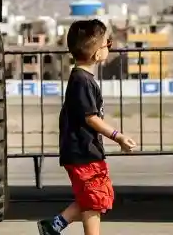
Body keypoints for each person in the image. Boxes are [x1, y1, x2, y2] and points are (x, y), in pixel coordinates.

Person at [37, 19, 137, 235]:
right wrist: (118, 136)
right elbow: (91, 118)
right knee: (94, 198)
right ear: (96, 52)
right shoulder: (82, 81)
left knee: (93, 196)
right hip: (83, 152)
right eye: (108, 43)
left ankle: (53, 225)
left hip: (85, 150)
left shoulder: (83, 79)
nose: (109, 47)